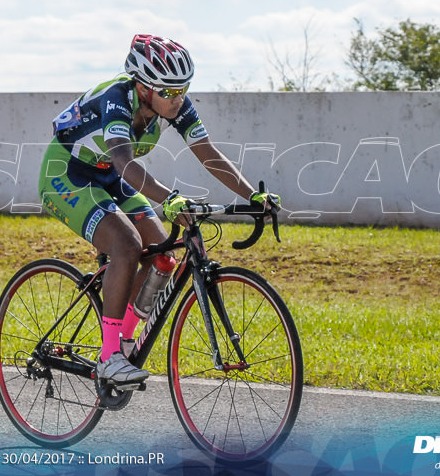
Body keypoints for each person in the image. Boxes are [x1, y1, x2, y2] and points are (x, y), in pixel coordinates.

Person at [38, 34, 278, 386]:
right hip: (67, 173)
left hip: (107, 175)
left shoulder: (176, 106)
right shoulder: (116, 99)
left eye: (183, 89)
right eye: (168, 91)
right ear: (144, 87)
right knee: (126, 244)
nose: (177, 99)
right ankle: (109, 357)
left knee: (162, 252)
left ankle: (123, 338)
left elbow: (208, 152)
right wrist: (169, 198)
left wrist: (254, 195)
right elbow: (123, 161)